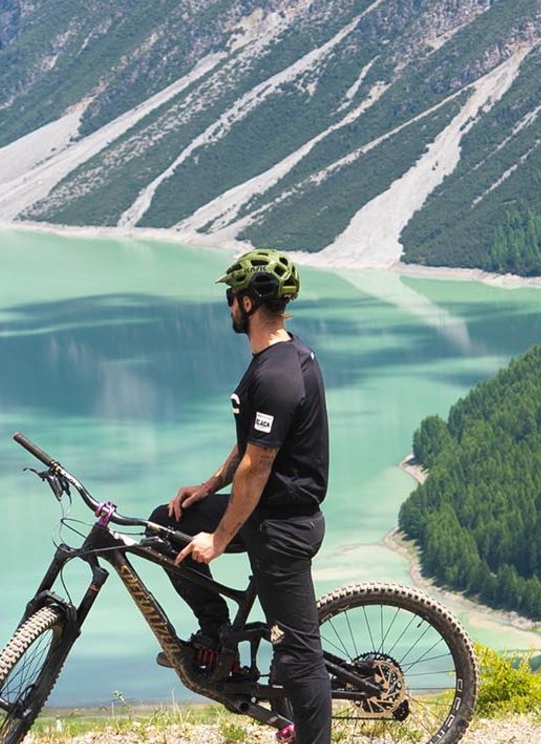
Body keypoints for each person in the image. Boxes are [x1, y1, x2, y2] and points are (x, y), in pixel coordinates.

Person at [149, 247, 331, 744]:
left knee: (297, 655)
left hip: (282, 526)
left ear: (248, 303)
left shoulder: (276, 375)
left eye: (232, 296)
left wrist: (220, 537)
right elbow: (252, 445)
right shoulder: (279, 356)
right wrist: (209, 488)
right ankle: (216, 635)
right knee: (165, 526)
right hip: (263, 510)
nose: (228, 305)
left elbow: (259, 465)